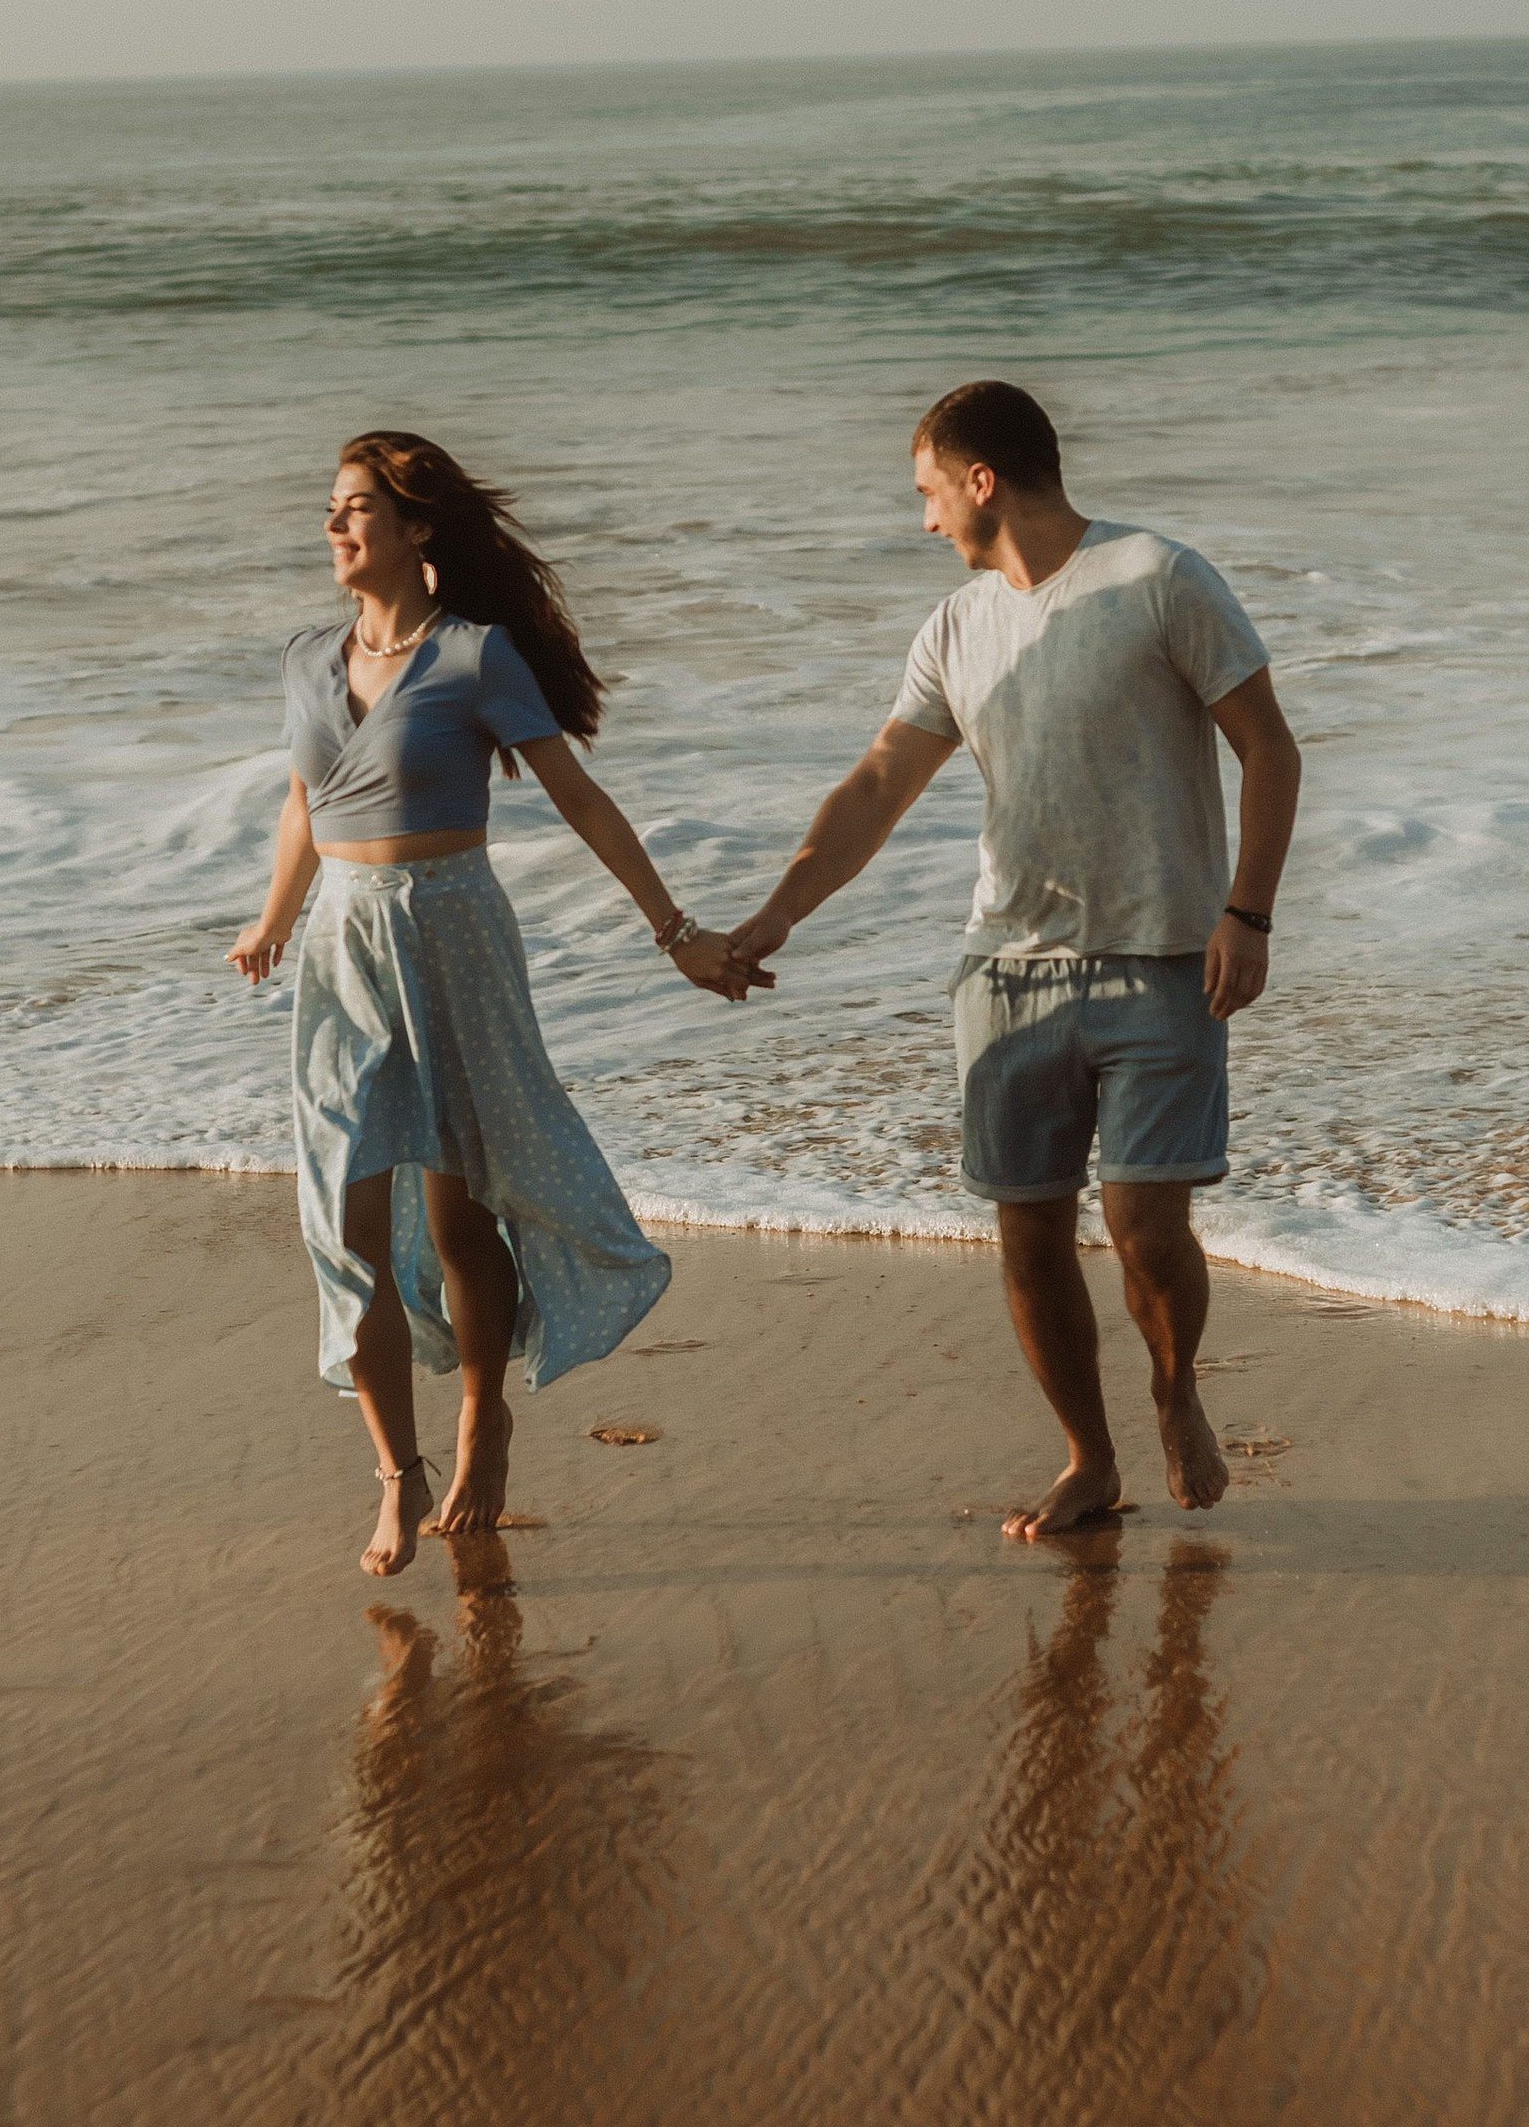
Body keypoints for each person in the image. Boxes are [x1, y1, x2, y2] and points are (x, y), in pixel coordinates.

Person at [727, 380, 1301, 1542]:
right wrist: (775, 913)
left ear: (980, 479)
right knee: (1028, 1233)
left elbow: (1269, 749)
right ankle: (1089, 1459)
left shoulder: (1157, 577)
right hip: (1006, 974)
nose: (924, 520)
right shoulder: (953, 627)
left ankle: (1173, 1386)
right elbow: (879, 785)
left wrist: (1249, 913)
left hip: (1160, 959)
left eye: (929, 492)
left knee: (1146, 1229)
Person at [230, 430, 765, 1580]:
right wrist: (274, 918)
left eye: (357, 507)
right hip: (342, 951)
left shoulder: (474, 659)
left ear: (418, 529)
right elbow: (300, 804)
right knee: (344, 1227)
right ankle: (393, 1471)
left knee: (465, 1212)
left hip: (453, 932)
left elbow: (578, 796)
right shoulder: (305, 660)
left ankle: (481, 1417)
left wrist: (675, 932)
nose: (334, 525)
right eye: (330, 506)